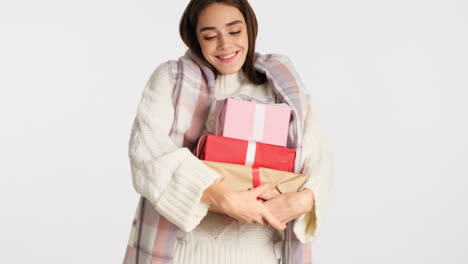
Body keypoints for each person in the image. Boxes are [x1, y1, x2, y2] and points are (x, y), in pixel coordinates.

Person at [123, 0, 332, 263]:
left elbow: (318, 157)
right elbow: (147, 155)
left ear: (250, 29)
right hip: (183, 255)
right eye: (210, 36)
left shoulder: (280, 82)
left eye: (234, 31)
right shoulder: (171, 79)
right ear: (195, 38)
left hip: (262, 255)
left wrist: (303, 200)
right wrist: (222, 197)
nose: (225, 44)